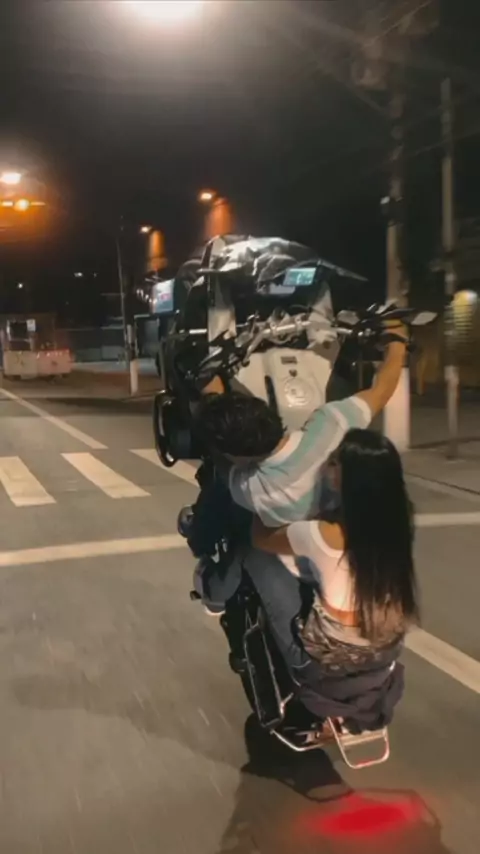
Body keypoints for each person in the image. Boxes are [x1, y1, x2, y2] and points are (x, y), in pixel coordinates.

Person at [190, 329, 408, 613]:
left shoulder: (254, 489)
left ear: (237, 454)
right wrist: (397, 344)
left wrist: (212, 394)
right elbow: (382, 389)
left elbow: (226, 470)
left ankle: (208, 571)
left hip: (304, 563)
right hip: (350, 562)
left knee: (232, 521)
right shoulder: (333, 423)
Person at [249, 427, 418, 729]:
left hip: (329, 662)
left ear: (352, 479)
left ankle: (217, 598)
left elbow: (262, 538)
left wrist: (258, 501)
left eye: (335, 462)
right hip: (386, 649)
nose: (327, 464)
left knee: (257, 558)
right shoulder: (401, 519)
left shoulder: (322, 534)